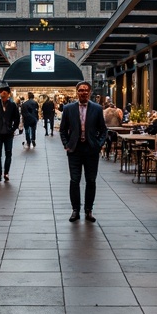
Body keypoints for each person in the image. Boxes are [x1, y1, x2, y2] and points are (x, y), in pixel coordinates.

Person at [59, 81, 109, 222]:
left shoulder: (97, 108)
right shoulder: (68, 109)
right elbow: (63, 130)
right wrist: (66, 144)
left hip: (91, 149)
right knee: (74, 180)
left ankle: (89, 210)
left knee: (91, 180)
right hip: (74, 149)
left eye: (86, 90)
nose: (83, 92)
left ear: (90, 92)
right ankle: (75, 210)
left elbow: (103, 130)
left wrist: (98, 144)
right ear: (77, 92)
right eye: (81, 90)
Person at [0, 85, 20, 181]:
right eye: (2, 91)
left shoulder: (13, 105)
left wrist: (13, 129)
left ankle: (6, 173)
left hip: (8, 133)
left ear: (9, 94)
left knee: (8, 153)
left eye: (6, 91)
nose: (4, 93)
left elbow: (17, 118)